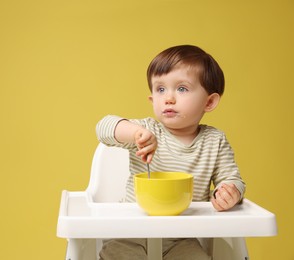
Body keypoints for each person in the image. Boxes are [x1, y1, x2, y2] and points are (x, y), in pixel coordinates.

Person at [96, 45, 246, 260]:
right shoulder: (146, 131)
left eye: (182, 89)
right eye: (160, 89)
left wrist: (229, 193)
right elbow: (103, 127)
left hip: (180, 239)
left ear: (209, 101)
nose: (169, 98)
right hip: (129, 234)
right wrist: (135, 133)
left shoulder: (215, 141)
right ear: (152, 99)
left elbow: (232, 179)